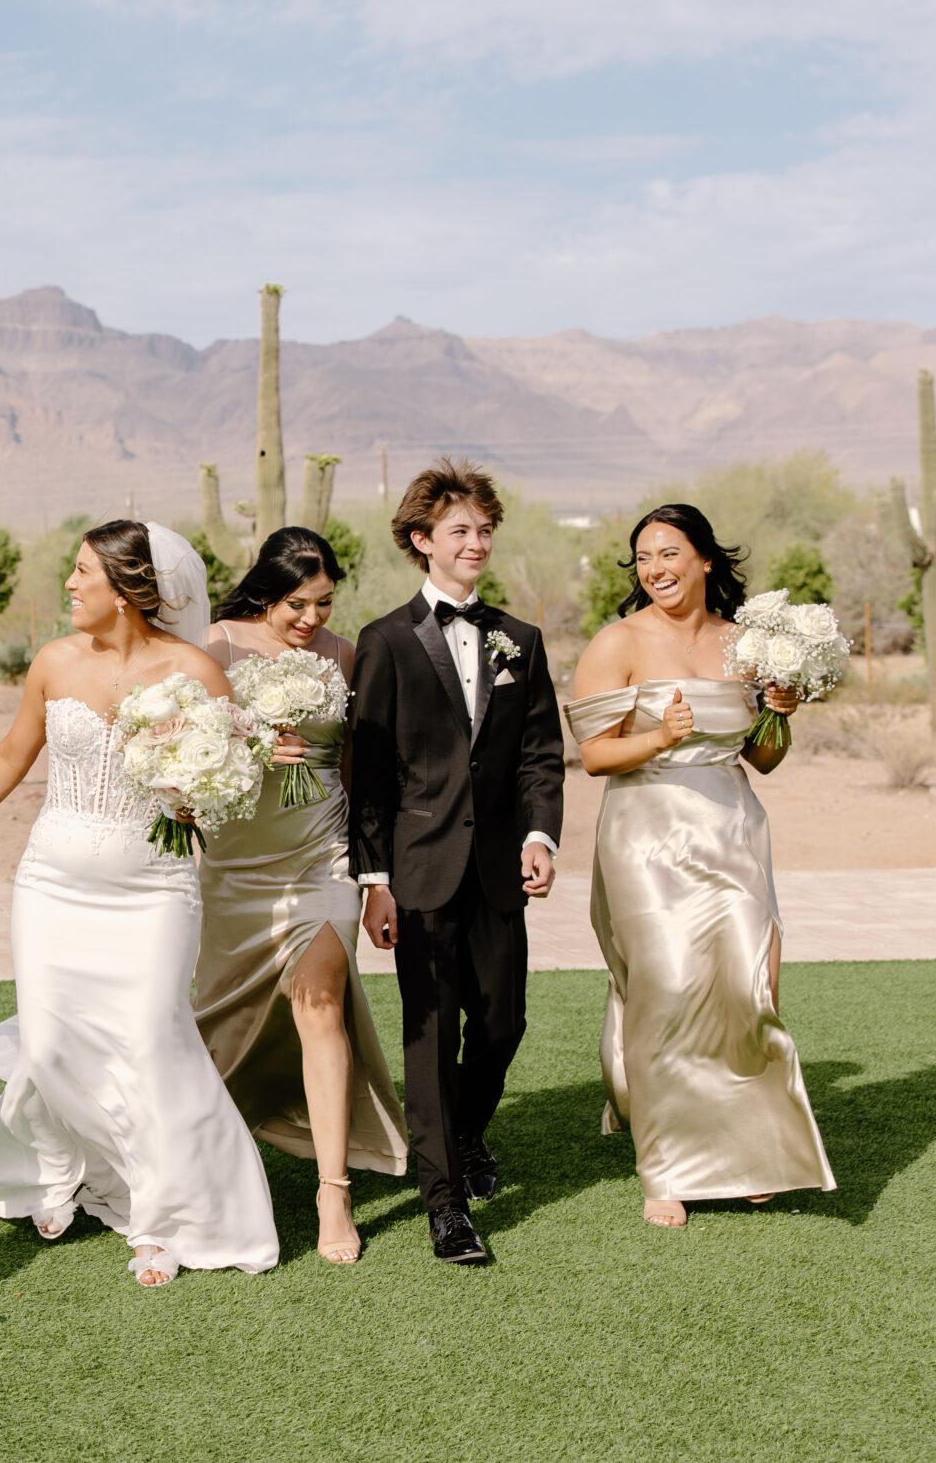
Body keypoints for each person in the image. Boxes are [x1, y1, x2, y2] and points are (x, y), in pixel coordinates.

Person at [0, 520, 280, 1287]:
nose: (70, 586)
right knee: (47, 1045)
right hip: (53, 886)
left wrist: (194, 801)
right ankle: (53, 1169)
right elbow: (13, 753)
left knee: (150, 1037)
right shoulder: (54, 662)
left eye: (83, 573)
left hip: (154, 889)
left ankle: (165, 1212)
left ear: (127, 588)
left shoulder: (195, 671)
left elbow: (230, 786)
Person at [565, 504, 834, 1228]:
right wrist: (656, 736)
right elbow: (594, 756)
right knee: (669, 988)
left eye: (669, 553)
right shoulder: (618, 641)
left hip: (732, 829)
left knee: (750, 986)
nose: (655, 569)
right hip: (646, 838)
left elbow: (765, 758)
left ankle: (746, 1151)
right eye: (643, 558)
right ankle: (666, 1167)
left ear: (706, 559)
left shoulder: (745, 642)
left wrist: (781, 710)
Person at [348, 460, 563, 1264]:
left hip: (499, 869)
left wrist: (540, 836)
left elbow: (542, 753)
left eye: (483, 530)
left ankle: (467, 1130)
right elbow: (367, 774)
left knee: (503, 1021)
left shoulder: (523, 640)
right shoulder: (386, 642)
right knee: (431, 1035)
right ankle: (444, 1203)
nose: (476, 543)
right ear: (421, 540)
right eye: (460, 531)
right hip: (418, 870)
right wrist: (373, 879)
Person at [196, 526, 410, 1265]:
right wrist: (253, 746)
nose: (312, 618)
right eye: (297, 603)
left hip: (322, 854)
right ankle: (203, 1154)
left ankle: (333, 1188)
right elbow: (181, 755)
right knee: (212, 1019)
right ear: (264, 590)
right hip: (234, 865)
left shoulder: (343, 656)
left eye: (323, 603)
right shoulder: (215, 647)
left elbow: (360, 774)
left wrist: (374, 876)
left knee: (320, 1003)